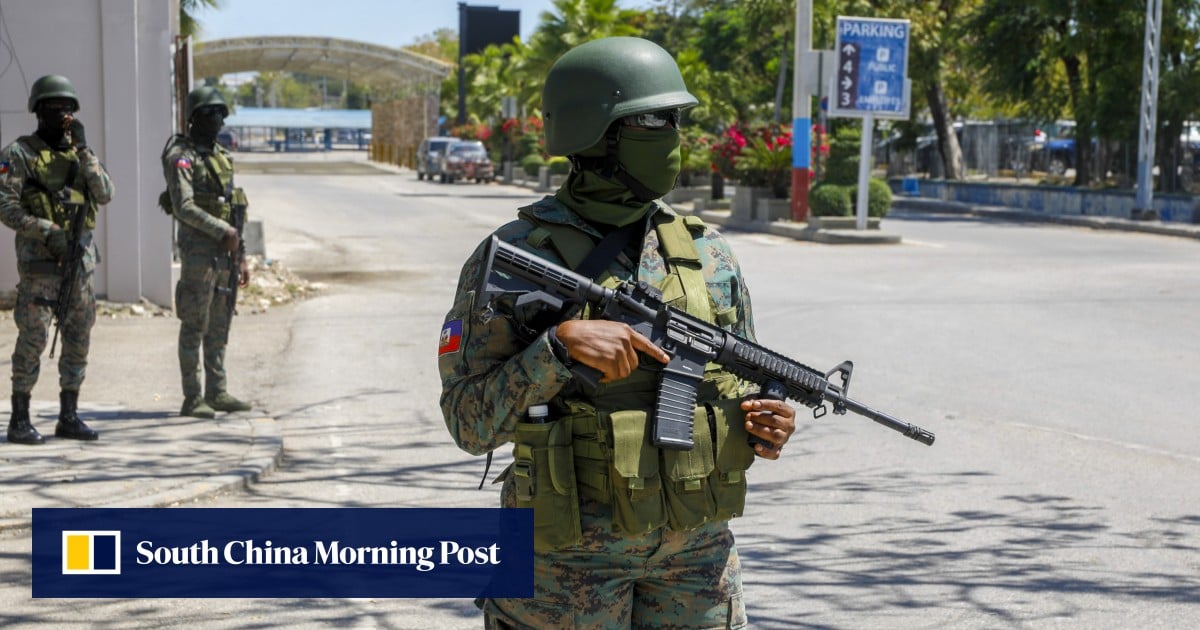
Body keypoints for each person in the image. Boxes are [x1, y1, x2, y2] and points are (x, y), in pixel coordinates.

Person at [439, 37, 797, 629]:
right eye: (658, 122)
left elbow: (746, 382)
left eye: (678, 122)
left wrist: (768, 421)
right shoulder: (513, 256)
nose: (677, 140)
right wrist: (557, 350)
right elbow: (467, 423)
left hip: (696, 559)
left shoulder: (708, 253)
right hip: (560, 567)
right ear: (595, 135)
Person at [0, 75, 113, 445]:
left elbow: (105, 193)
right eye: (54, 107)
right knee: (33, 337)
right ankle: (19, 419)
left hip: (80, 264)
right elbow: (5, 205)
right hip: (40, 264)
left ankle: (69, 415)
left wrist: (83, 149)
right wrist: (45, 229)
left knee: (79, 336)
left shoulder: (79, 154)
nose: (61, 114)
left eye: (67, 108)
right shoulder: (19, 154)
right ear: (38, 110)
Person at [161, 86, 251, 419]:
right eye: (211, 114)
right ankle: (192, 396)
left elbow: (236, 210)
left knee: (219, 324)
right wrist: (221, 231)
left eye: (221, 115)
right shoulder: (181, 157)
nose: (218, 121)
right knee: (194, 324)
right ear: (195, 117)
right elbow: (183, 207)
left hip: (225, 254)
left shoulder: (223, 158)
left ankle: (217, 391)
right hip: (199, 253)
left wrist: (241, 253)